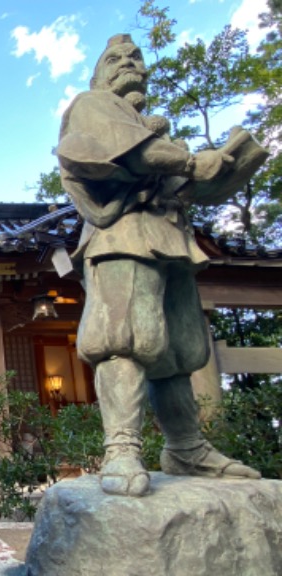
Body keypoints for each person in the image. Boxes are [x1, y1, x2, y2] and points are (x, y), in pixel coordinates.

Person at [58, 33, 263, 496]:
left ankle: (186, 446)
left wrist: (222, 166)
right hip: (121, 236)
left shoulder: (153, 128)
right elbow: (126, 152)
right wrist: (193, 162)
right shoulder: (92, 104)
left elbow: (178, 179)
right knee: (124, 338)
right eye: (117, 58)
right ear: (99, 74)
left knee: (178, 350)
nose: (130, 63)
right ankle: (122, 447)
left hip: (169, 237)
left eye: (136, 57)